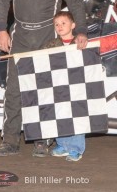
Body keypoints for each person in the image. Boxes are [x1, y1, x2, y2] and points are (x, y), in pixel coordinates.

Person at [0, 0, 88, 157]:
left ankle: (41, 139)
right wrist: (1, 29)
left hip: (48, 36)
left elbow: (76, 1)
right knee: (15, 88)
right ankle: (10, 139)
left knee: (45, 88)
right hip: (21, 35)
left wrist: (82, 31)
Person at [41, 11, 85, 161]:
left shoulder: (81, 43)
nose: (59, 26)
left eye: (63, 23)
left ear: (73, 25)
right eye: (57, 24)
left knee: (77, 117)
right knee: (60, 115)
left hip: (77, 87)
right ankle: (63, 144)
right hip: (58, 87)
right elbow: (40, 62)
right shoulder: (50, 45)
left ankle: (76, 148)